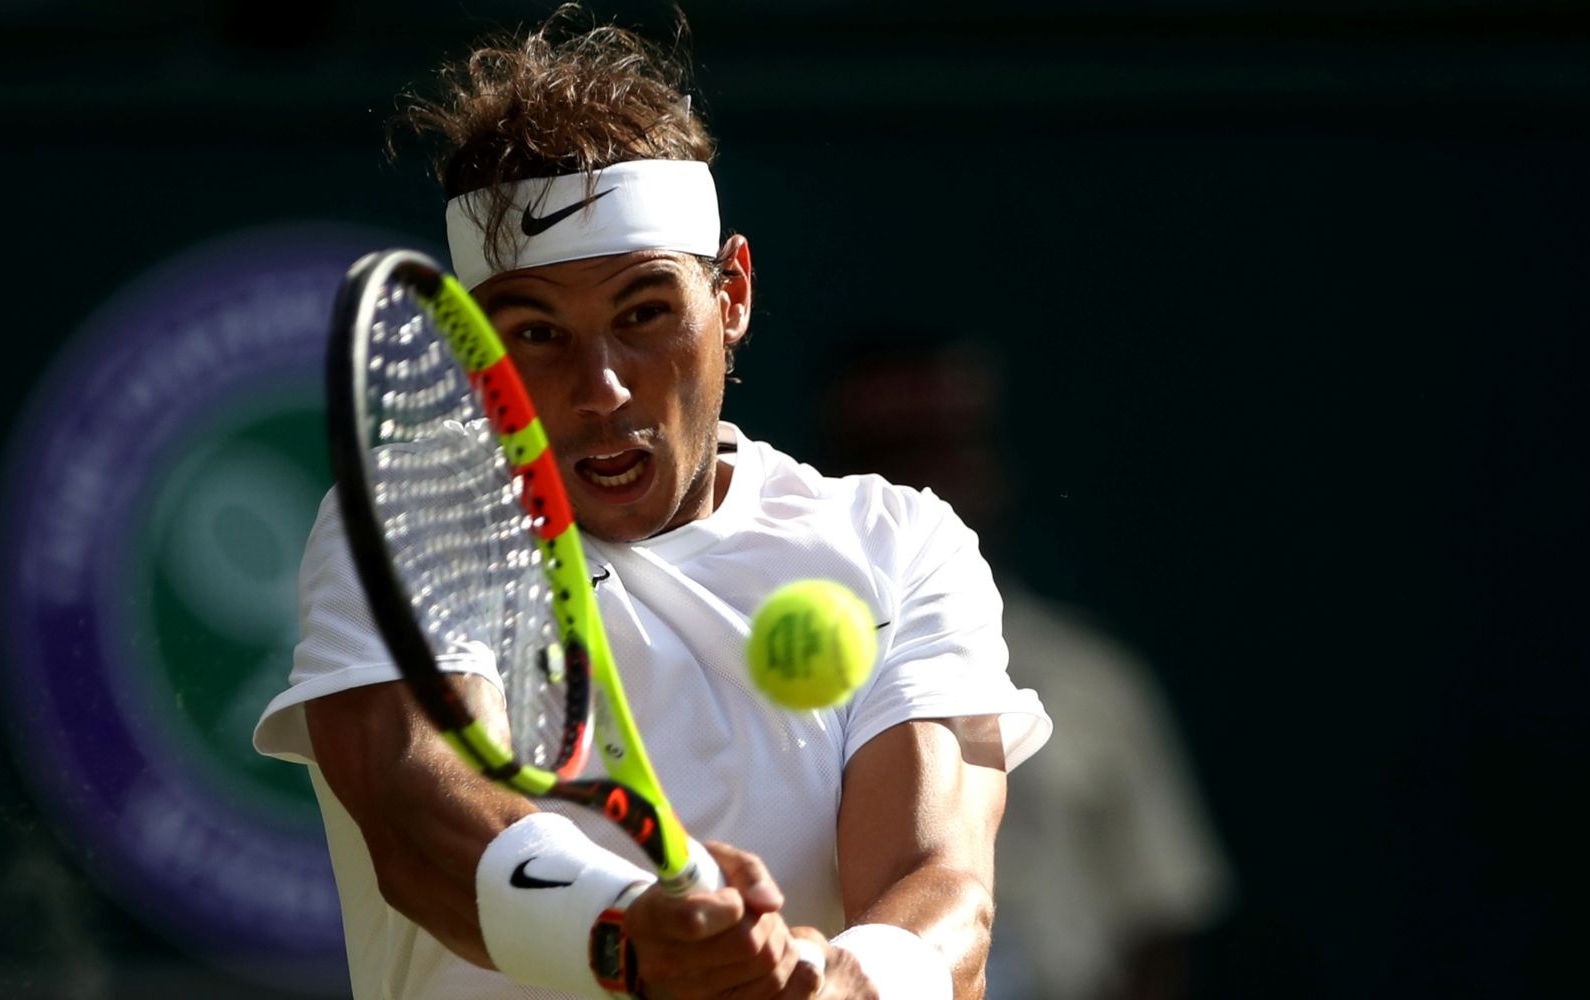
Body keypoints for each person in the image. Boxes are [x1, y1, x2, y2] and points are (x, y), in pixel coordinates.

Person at [252, 12, 1051, 1000]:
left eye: (644, 313)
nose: (602, 388)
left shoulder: (898, 542)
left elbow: (941, 888)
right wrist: (626, 937)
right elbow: (419, 816)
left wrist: (842, 980)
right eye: (536, 334)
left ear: (733, 295)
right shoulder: (413, 514)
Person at [815, 342, 1231, 1000]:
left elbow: (1158, 923)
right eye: (889, 453)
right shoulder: (770, 684)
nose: (924, 482)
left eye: (947, 445)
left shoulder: (1093, 678)